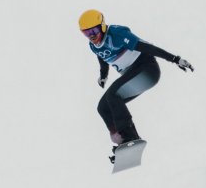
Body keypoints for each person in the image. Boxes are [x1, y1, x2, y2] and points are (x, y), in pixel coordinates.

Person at [78, 9, 194, 150]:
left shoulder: (117, 34)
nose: (91, 36)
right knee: (103, 107)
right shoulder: (93, 46)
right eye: (86, 33)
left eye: (94, 31)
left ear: (102, 25)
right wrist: (103, 76)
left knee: (113, 96)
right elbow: (101, 57)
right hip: (133, 75)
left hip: (147, 70)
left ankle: (131, 138)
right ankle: (122, 141)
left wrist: (175, 59)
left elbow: (147, 48)